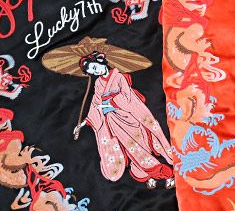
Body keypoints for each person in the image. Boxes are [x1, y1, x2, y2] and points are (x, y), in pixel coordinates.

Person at [74, 51, 175, 188]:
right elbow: (95, 106)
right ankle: (151, 175)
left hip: (129, 117)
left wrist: (111, 103)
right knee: (132, 150)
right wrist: (83, 123)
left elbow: (128, 97)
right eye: (92, 71)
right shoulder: (98, 84)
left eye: (94, 67)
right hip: (114, 123)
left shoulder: (119, 77)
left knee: (144, 144)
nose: (95, 71)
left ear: (100, 61)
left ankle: (167, 174)